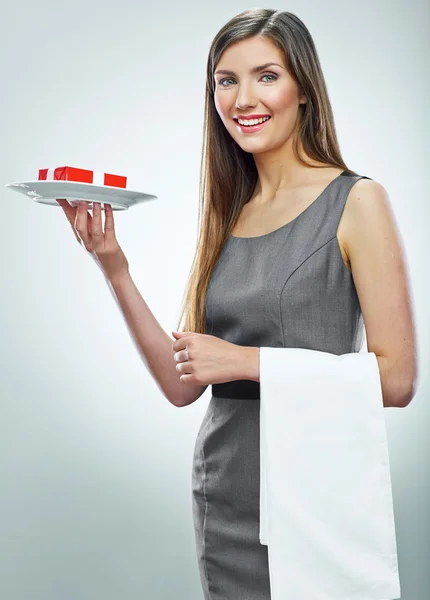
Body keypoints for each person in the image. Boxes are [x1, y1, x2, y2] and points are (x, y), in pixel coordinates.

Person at [57, 8, 418, 600]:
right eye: (226, 80)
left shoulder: (357, 202)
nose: (243, 98)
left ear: (304, 89)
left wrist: (248, 362)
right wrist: (112, 264)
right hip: (225, 500)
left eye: (266, 75)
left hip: (316, 503)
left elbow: (397, 378)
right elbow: (183, 385)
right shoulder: (230, 214)